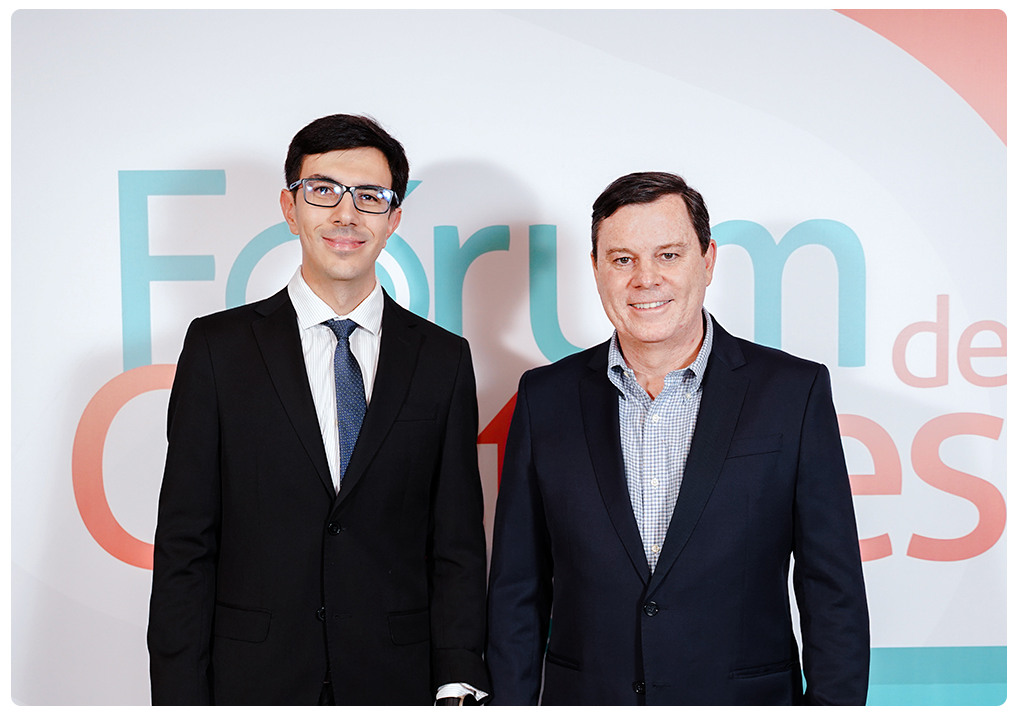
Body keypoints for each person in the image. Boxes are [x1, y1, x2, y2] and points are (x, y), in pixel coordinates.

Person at [486, 171, 869, 705]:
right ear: (595, 269)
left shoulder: (793, 393)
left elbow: (833, 591)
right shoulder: (544, 397)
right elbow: (516, 591)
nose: (646, 279)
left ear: (707, 260)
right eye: (622, 259)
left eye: (668, 255)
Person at [148, 114, 490, 705]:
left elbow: (455, 542)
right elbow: (186, 544)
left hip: (396, 680)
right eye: (324, 190)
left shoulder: (443, 359)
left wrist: (458, 681)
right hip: (252, 681)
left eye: (370, 196)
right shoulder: (218, 349)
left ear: (393, 218)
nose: (346, 214)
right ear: (290, 207)